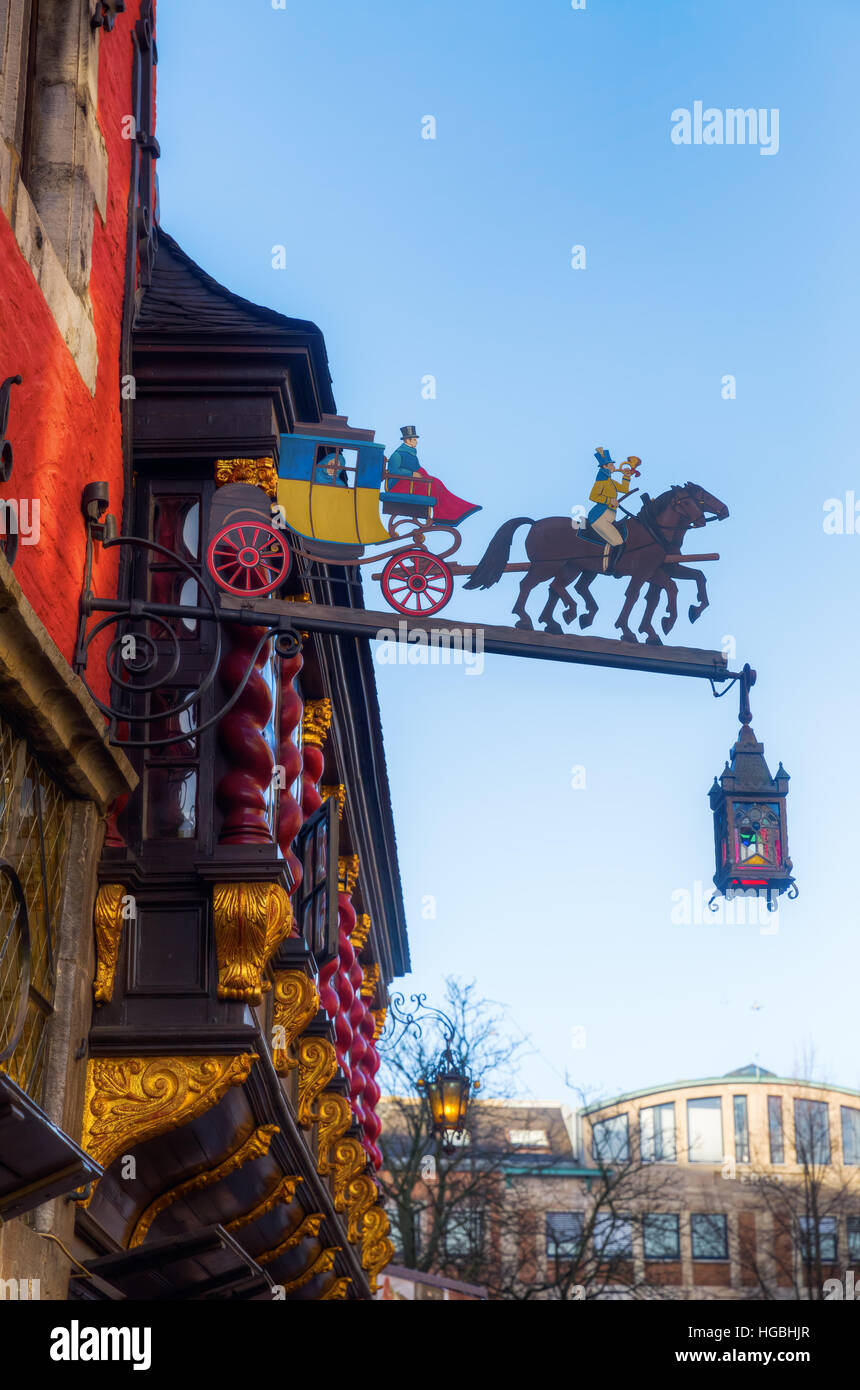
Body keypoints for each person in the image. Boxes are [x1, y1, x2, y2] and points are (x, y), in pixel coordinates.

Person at [385, 426, 481, 527]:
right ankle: (444, 516)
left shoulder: (410, 453)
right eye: (414, 439)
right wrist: (411, 474)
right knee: (434, 484)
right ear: (407, 440)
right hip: (400, 486)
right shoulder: (397, 454)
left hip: (412, 483)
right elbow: (394, 471)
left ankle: (455, 511)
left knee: (436, 483)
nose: (416, 442)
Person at [587, 446, 641, 573]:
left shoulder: (610, 482)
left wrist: (626, 476)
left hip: (609, 515)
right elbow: (593, 496)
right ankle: (612, 568)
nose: (613, 467)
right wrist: (609, 500)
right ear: (605, 467)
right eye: (611, 465)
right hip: (599, 517)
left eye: (612, 465)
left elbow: (624, 489)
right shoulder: (601, 481)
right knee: (618, 542)